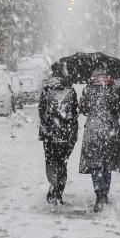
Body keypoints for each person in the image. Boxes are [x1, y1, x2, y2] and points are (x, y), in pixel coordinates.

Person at [78, 69, 120, 211]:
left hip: (93, 131)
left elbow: (83, 110)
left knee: (96, 164)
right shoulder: (114, 90)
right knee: (107, 163)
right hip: (111, 132)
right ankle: (104, 193)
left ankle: (99, 193)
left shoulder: (88, 90)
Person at [38, 74, 79, 204]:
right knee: (62, 163)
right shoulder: (70, 91)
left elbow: (41, 110)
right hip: (67, 134)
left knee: (50, 161)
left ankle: (52, 186)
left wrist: (49, 121)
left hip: (49, 133)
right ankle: (59, 192)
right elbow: (75, 112)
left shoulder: (46, 89)